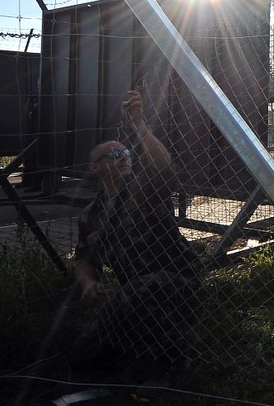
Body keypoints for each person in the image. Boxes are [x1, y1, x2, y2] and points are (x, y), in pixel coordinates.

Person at [72, 88, 200, 383]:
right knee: (82, 354)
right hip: (132, 296)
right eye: (113, 154)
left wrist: (139, 124)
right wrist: (89, 282)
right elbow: (83, 258)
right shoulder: (91, 215)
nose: (123, 157)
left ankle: (171, 361)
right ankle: (133, 354)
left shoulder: (144, 188)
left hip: (176, 279)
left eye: (126, 153)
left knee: (138, 292)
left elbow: (163, 164)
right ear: (95, 167)